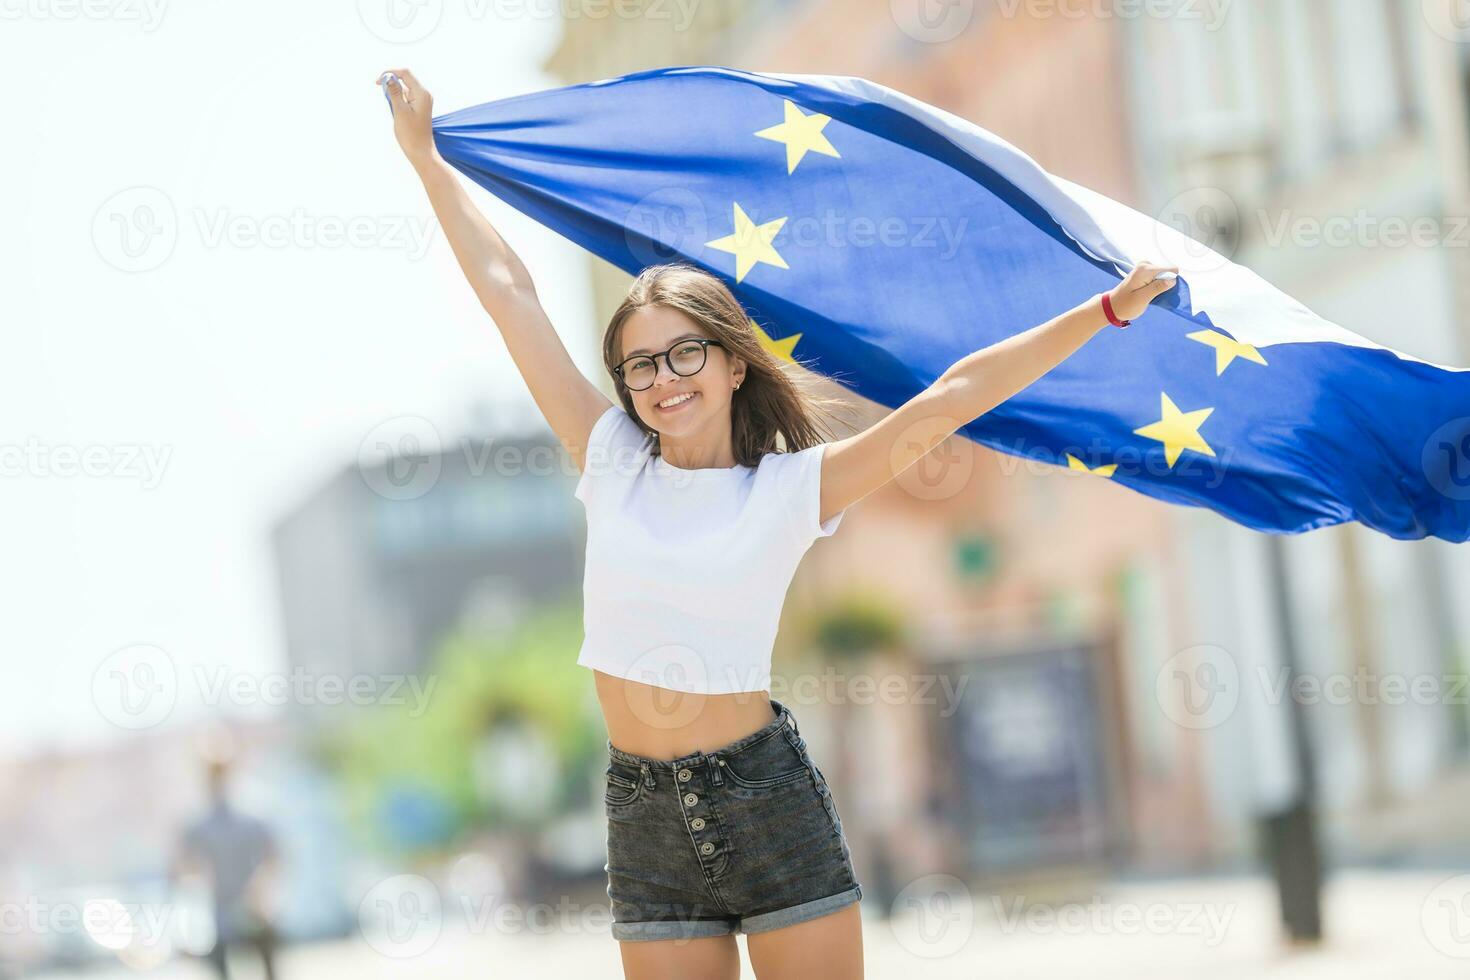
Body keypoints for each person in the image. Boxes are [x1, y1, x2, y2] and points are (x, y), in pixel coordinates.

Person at [377, 67, 1177, 980]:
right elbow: (508, 289)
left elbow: (953, 396)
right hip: (642, 813)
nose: (663, 379)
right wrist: (427, 159)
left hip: (765, 799)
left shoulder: (793, 488)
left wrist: (1106, 310)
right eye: (640, 366)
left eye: (685, 354)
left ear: (731, 366)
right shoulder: (609, 461)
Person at [172, 760, 279, 980]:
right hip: (218, 910)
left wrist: (259, 887)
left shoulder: (250, 819)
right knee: (221, 962)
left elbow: (273, 857)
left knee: (265, 950)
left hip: (250, 908)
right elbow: (181, 866)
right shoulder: (199, 825)